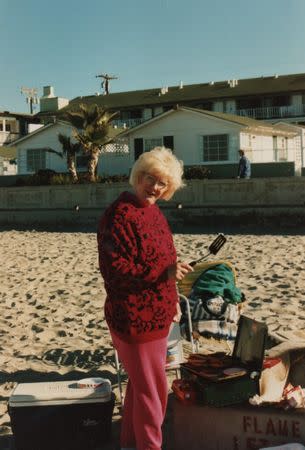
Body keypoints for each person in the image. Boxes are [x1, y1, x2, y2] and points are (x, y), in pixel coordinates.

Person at [97, 147, 193, 450]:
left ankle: (129, 444)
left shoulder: (153, 211)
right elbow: (115, 270)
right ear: (138, 176)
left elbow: (168, 258)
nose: (155, 187)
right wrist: (164, 273)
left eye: (162, 183)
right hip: (132, 318)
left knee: (141, 389)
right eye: (150, 179)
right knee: (154, 393)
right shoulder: (118, 215)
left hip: (158, 314)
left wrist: (172, 296)